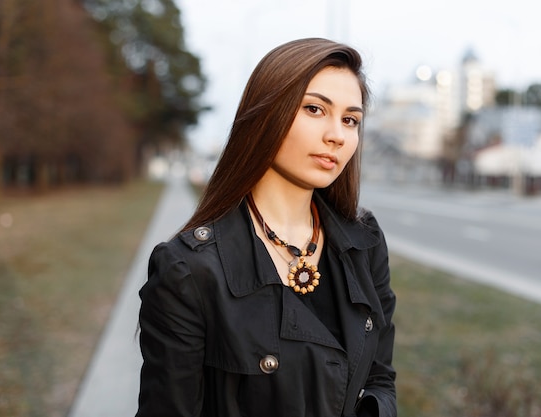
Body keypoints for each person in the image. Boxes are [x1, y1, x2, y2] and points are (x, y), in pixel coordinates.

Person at [136, 37, 397, 417]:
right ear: (267, 114)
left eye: (350, 119)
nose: (337, 136)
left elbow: (380, 379)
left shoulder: (365, 244)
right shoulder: (189, 271)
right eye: (314, 109)